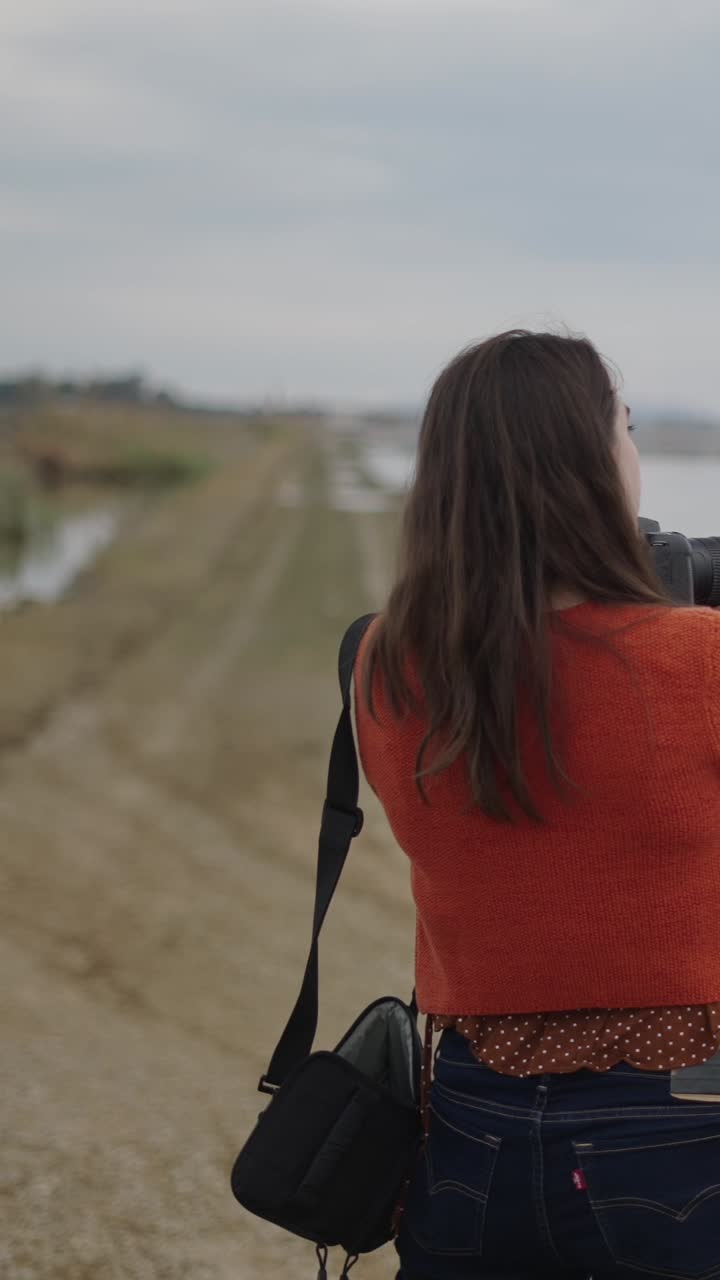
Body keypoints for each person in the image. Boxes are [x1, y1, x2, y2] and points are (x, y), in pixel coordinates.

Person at [353, 330, 720, 1278]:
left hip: (474, 1125)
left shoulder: (388, 664)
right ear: (592, 467)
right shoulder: (698, 659)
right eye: (626, 430)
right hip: (686, 1119)